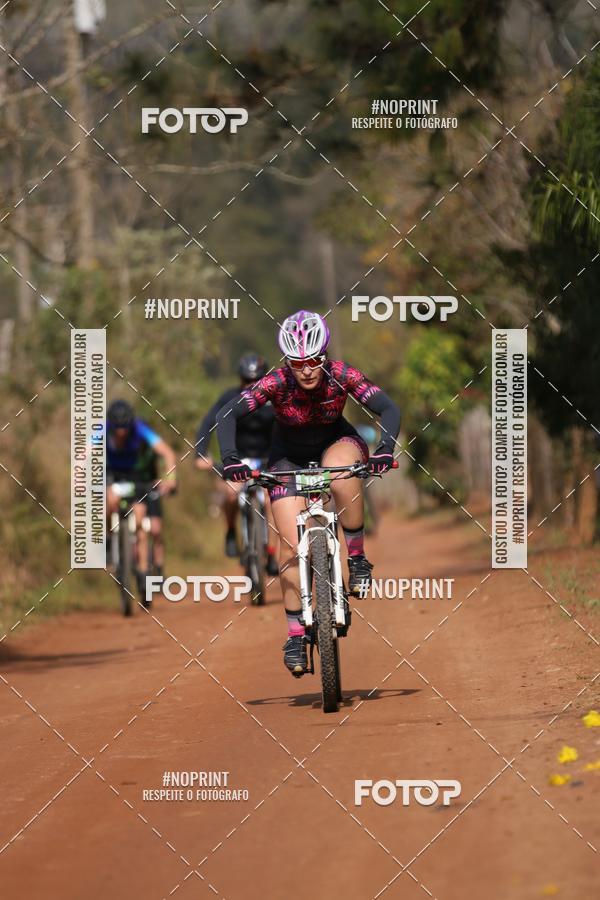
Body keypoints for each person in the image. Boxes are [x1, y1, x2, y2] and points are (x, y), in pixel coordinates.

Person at [216, 311, 400, 676]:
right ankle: (296, 632)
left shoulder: (343, 374)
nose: (307, 370)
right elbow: (227, 415)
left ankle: (358, 558)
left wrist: (384, 449)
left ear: (325, 354)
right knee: (286, 544)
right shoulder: (275, 382)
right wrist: (231, 459)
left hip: (337, 442)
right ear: (287, 361)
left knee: (341, 472)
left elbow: (387, 408)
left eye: (314, 360)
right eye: (298, 362)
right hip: (287, 456)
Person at [195, 352, 278, 574]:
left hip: (268, 459)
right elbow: (207, 423)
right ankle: (231, 530)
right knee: (231, 494)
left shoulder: (275, 398)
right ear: (240, 379)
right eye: (246, 381)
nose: (251, 385)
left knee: (272, 501)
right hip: (238, 460)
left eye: (256, 381)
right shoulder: (229, 398)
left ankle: (271, 552)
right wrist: (200, 453)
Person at [105, 399, 177, 602]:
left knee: (140, 520)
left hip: (138, 478)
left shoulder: (141, 429)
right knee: (107, 501)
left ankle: (144, 570)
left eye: (124, 429)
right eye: (116, 429)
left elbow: (168, 453)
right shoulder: (102, 430)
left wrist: (170, 479)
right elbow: (85, 456)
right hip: (112, 475)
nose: (120, 434)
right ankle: (108, 542)